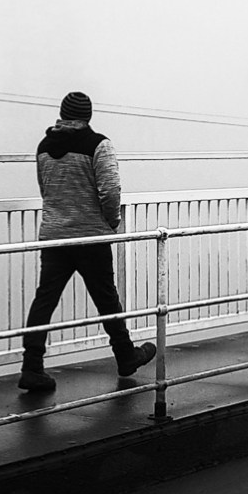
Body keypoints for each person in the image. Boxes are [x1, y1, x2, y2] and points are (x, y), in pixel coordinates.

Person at [17, 91, 156, 392]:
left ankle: (31, 367)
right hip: (90, 235)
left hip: (55, 235)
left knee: (45, 298)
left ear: (62, 114)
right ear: (88, 116)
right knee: (107, 297)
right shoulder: (98, 145)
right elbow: (110, 190)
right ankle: (125, 356)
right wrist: (111, 222)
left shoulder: (44, 147)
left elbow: (45, 189)